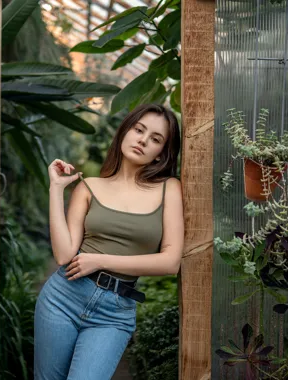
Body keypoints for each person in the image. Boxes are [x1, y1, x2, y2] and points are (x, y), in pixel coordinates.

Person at [34, 103, 184, 380]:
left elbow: (170, 261)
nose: (143, 140)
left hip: (115, 313)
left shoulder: (169, 189)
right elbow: (64, 255)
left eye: (155, 139)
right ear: (125, 131)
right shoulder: (89, 186)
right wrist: (56, 189)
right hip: (62, 298)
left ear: (160, 154)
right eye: (139, 130)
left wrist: (100, 260)